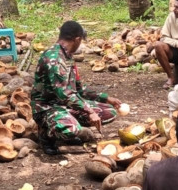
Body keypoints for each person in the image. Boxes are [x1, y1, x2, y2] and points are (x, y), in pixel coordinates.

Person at [31, 20, 122, 156]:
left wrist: (106, 98)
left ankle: (68, 124)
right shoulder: (55, 59)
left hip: (65, 105)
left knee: (109, 111)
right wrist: (89, 111)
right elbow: (64, 93)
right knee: (71, 129)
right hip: (47, 108)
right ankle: (46, 135)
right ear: (77, 39)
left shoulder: (68, 57)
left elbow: (79, 90)